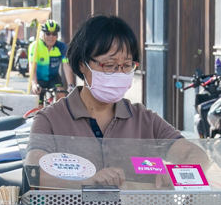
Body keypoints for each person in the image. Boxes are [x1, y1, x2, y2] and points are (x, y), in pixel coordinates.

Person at [29, 14, 204, 187]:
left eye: (127, 65)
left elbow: (195, 155)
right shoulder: (50, 119)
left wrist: (175, 174)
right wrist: (87, 182)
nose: (119, 73)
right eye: (109, 65)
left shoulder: (144, 119)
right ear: (83, 64)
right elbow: (34, 173)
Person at [27, 19, 75, 106]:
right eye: (48, 33)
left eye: (54, 34)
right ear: (43, 34)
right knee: (38, 107)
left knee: (61, 94)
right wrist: (34, 83)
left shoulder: (62, 47)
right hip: (38, 79)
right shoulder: (35, 46)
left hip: (53, 78)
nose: (51, 37)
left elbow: (66, 65)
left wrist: (70, 85)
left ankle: (57, 116)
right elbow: (32, 66)